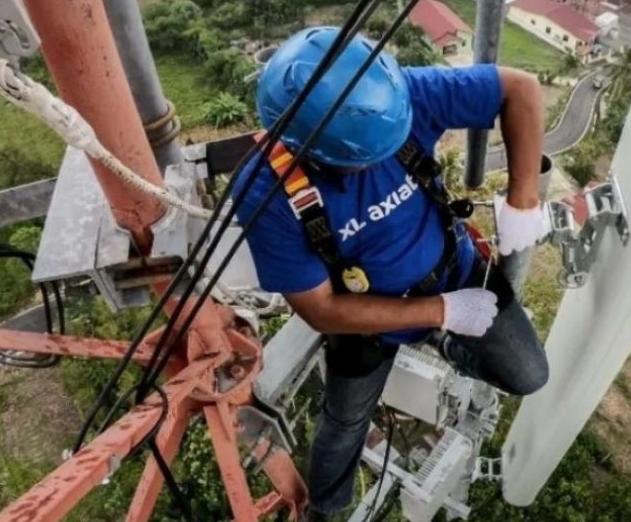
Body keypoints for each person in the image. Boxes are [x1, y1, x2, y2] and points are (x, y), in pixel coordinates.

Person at [233, 27, 550, 520]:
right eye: (365, 162)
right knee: (342, 425)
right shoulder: (266, 190)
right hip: (367, 319)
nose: (382, 165)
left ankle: (445, 341)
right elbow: (321, 309)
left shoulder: (392, 97)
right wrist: (443, 311)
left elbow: (521, 89)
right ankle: (327, 512)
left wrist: (523, 199)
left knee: (529, 373)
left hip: (455, 269)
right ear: (312, 150)